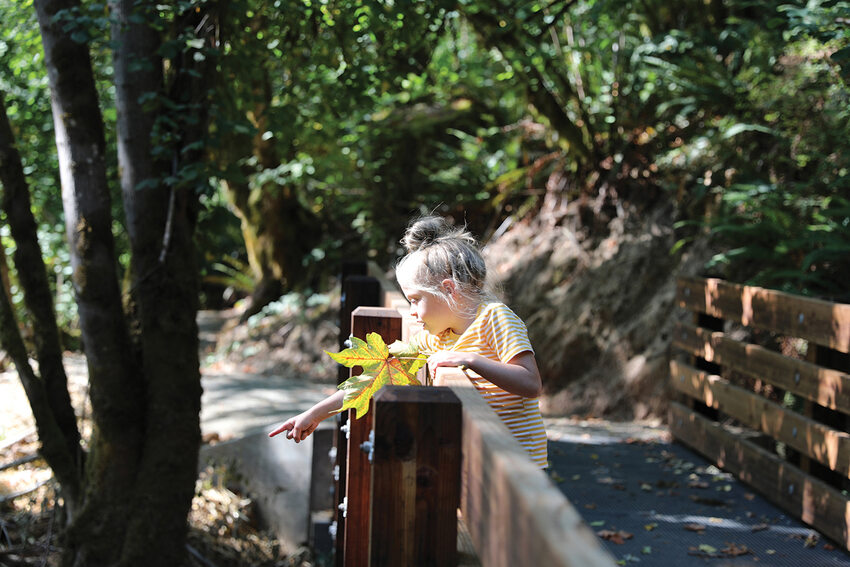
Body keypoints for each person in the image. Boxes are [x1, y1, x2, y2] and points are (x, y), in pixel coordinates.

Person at [269, 216, 548, 468]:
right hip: (478, 459)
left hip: (519, 464)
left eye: (415, 300)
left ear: (448, 289)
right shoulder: (435, 338)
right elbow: (373, 380)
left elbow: (530, 384)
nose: (412, 312)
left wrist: (469, 360)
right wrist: (315, 413)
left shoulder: (494, 317)